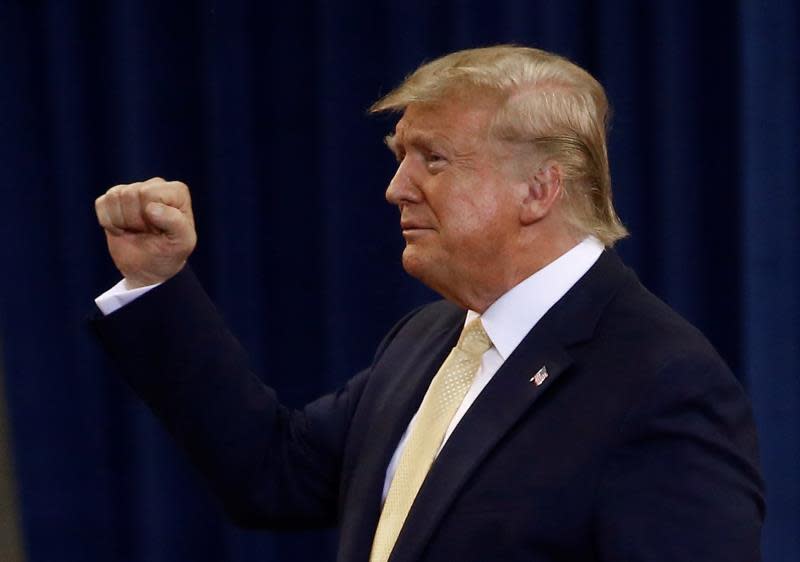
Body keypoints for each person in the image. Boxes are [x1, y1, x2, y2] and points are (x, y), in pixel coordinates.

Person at [92, 46, 765, 561]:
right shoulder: (433, 337)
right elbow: (275, 474)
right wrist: (157, 282)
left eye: (432, 160)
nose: (396, 188)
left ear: (539, 190)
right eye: (400, 155)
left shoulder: (660, 381)